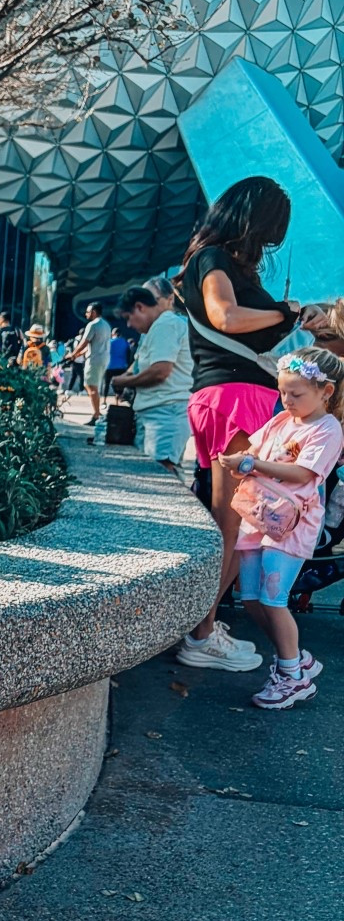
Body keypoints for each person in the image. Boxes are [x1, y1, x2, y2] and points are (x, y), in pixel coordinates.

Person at [174, 176, 304, 672]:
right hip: (235, 398)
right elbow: (225, 317)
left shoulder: (218, 261)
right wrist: (284, 310)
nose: (269, 243)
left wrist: (291, 317)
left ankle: (203, 625)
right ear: (250, 220)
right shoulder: (214, 259)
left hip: (230, 397)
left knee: (233, 521)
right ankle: (201, 635)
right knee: (232, 523)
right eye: (268, 230)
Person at [218, 346, 344, 710]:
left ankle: (292, 675)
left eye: (296, 394)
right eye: (283, 391)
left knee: (273, 600)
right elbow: (255, 449)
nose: (287, 400)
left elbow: (303, 473)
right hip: (258, 517)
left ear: (325, 392)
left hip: (291, 527)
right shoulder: (281, 421)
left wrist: (251, 464)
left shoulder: (328, 429)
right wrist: (240, 460)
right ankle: (295, 658)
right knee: (252, 598)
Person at [112, 284, 193, 471]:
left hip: (166, 413)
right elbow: (141, 365)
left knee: (161, 474)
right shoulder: (156, 328)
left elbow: (160, 371)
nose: (129, 325)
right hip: (157, 412)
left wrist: (123, 381)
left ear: (140, 307)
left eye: (128, 317)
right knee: (153, 473)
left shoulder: (166, 324)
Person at [62, 302, 112, 433]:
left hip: (94, 359)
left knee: (91, 386)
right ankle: (97, 413)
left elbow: (84, 343)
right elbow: (93, 345)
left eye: (88, 312)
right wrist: (76, 355)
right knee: (93, 386)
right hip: (103, 358)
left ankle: (96, 415)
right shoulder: (106, 325)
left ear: (94, 312)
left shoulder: (92, 325)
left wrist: (73, 354)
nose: (86, 314)